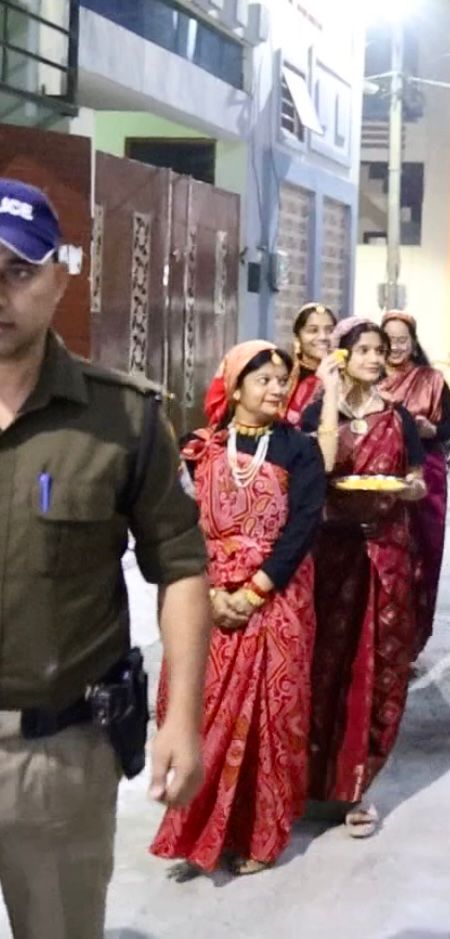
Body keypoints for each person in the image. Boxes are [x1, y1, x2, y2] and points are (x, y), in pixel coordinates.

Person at [0, 177, 210, 939]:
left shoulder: (123, 417)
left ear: (59, 278)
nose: (0, 291)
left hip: (57, 755)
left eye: (19, 270)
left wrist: (181, 718)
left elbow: (181, 566)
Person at [150, 341, 325, 876]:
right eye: (263, 379)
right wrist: (207, 593)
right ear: (235, 385)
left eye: (282, 380)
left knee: (271, 722)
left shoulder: (299, 449)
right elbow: (178, 524)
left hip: (276, 598)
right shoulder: (199, 447)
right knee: (200, 714)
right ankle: (199, 830)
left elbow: (303, 526)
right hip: (205, 595)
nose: (276, 389)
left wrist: (253, 592)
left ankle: (259, 837)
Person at [301, 318, 427, 838]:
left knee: (377, 668)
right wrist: (331, 394)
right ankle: (305, 781)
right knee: (320, 665)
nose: (375, 358)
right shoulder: (316, 413)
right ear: (343, 357)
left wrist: (410, 489)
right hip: (329, 553)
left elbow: (416, 477)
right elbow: (314, 471)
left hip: (385, 552)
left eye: (380, 350)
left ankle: (357, 787)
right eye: (364, 350)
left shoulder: (399, 419)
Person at [380, 312, 450, 656]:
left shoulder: (431, 380)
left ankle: (412, 639)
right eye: (389, 340)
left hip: (425, 474)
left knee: (423, 555)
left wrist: (431, 430)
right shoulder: (369, 377)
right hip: (381, 474)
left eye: (402, 340)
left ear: (413, 343)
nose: (396, 347)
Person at [284, 302, 336, 425]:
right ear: (297, 338)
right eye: (313, 330)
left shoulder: (346, 376)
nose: (323, 337)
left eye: (329, 330)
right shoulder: (285, 377)